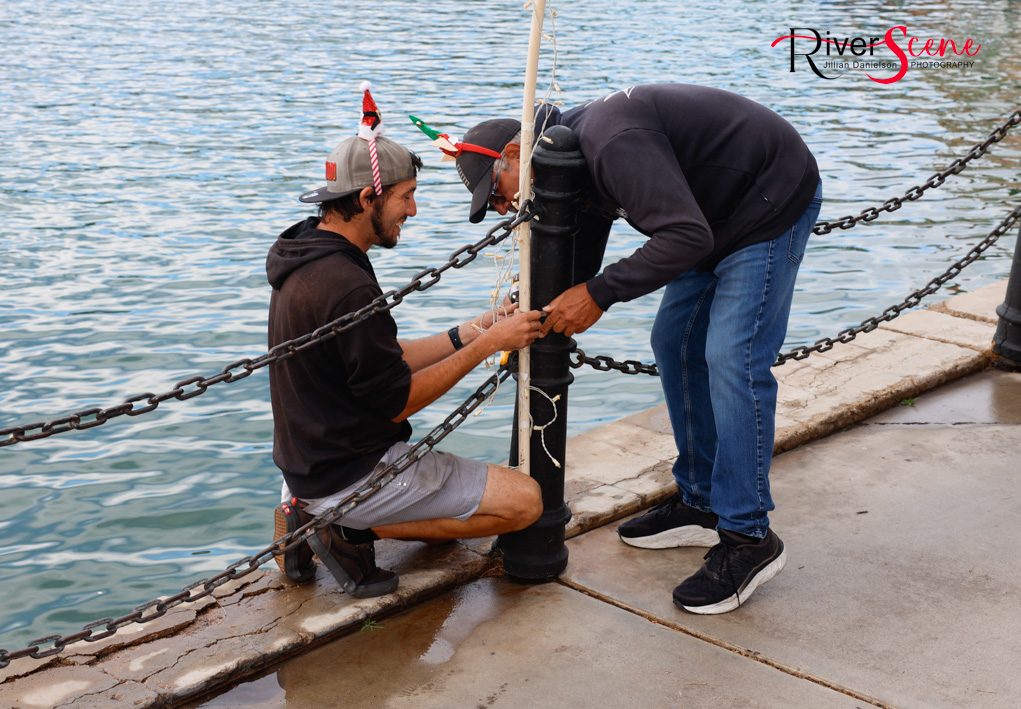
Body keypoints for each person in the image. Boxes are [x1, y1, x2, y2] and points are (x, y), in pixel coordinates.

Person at [452, 83, 822, 614]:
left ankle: (748, 537)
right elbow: (592, 235)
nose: (506, 205)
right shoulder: (568, 152)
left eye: (498, 191)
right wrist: (537, 302)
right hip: (710, 214)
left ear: (515, 153)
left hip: (768, 200)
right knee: (672, 342)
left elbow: (684, 237)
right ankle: (702, 502)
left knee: (731, 360)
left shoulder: (610, 144)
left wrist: (598, 294)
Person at [267, 85, 543, 598]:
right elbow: (397, 401)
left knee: (454, 521)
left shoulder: (308, 254)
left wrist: (476, 328)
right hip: (349, 473)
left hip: (311, 461)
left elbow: (381, 360)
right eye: (406, 196)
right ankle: (345, 527)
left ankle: (309, 506)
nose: (413, 211)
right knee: (526, 502)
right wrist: (488, 346)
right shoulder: (345, 283)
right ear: (368, 198)